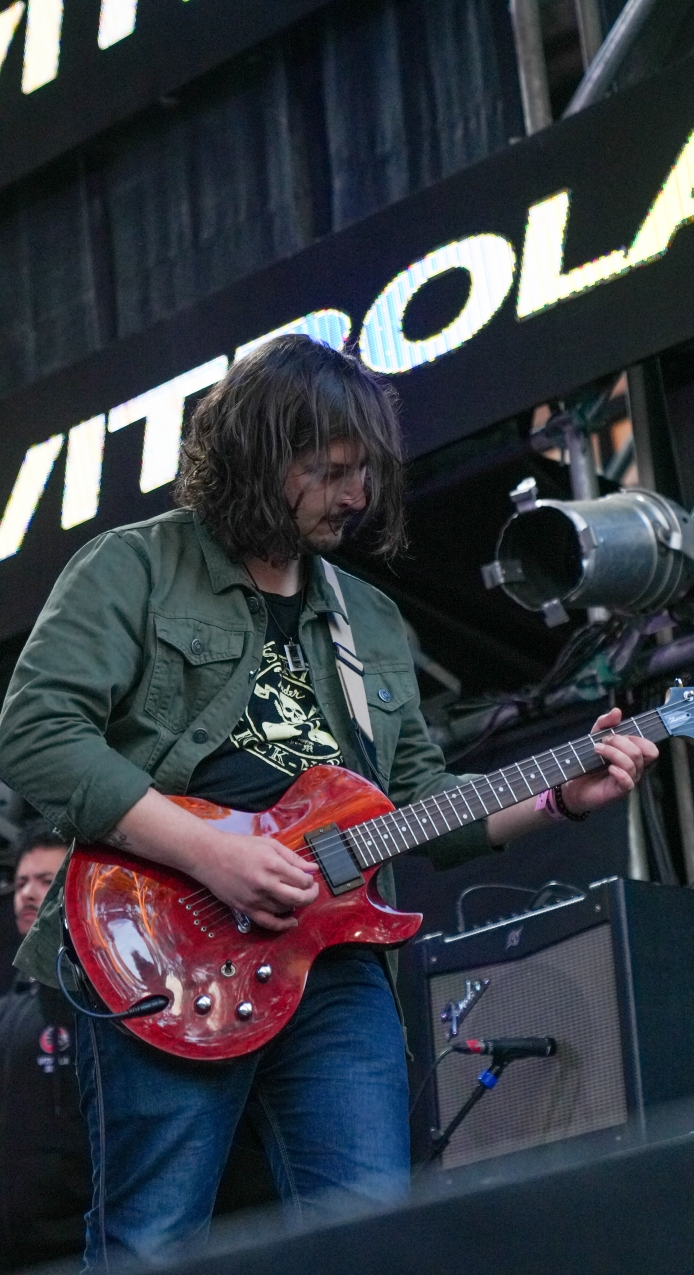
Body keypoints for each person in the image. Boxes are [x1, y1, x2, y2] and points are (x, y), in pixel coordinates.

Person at [0, 335, 657, 1266]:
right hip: (161, 946)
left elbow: (420, 800)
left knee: (373, 1230)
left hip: (332, 967)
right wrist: (210, 854)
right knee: (154, 1240)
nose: (355, 496)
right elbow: (34, 733)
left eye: (365, 474)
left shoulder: (369, 619)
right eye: (330, 470)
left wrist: (559, 797)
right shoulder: (133, 567)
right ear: (259, 455)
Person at [0, 824, 90, 1271]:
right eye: (20, 883)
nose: (28, 894)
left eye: (44, 880)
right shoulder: (11, 1005)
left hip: (86, 1246)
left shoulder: (101, 1002)